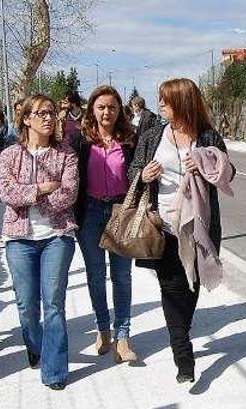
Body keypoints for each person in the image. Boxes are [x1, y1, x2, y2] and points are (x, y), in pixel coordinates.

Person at [131, 78, 235, 384]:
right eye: (160, 101)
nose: (160, 106)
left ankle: (182, 333)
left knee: (192, 284)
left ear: (183, 103)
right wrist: (144, 173)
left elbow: (228, 172)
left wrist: (204, 162)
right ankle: (183, 353)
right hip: (161, 223)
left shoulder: (208, 136)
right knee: (171, 286)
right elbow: (133, 170)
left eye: (166, 101)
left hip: (199, 224)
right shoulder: (152, 136)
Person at [0, 95, 79, 390]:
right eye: (42, 113)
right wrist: (42, 189)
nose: (49, 118)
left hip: (57, 236)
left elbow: (68, 194)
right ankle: (37, 346)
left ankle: (55, 371)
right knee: (26, 306)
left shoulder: (66, 154)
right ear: (26, 119)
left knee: (53, 303)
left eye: (52, 113)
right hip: (19, 239)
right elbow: (7, 193)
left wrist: (30, 197)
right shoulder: (8, 156)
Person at [69, 86, 138, 363]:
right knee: (96, 276)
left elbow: (138, 173)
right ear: (92, 110)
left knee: (121, 276)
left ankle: (123, 336)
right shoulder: (81, 141)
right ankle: (103, 330)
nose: (106, 111)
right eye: (101, 107)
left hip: (121, 210)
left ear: (119, 109)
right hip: (91, 212)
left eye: (111, 106)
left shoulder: (130, 140)